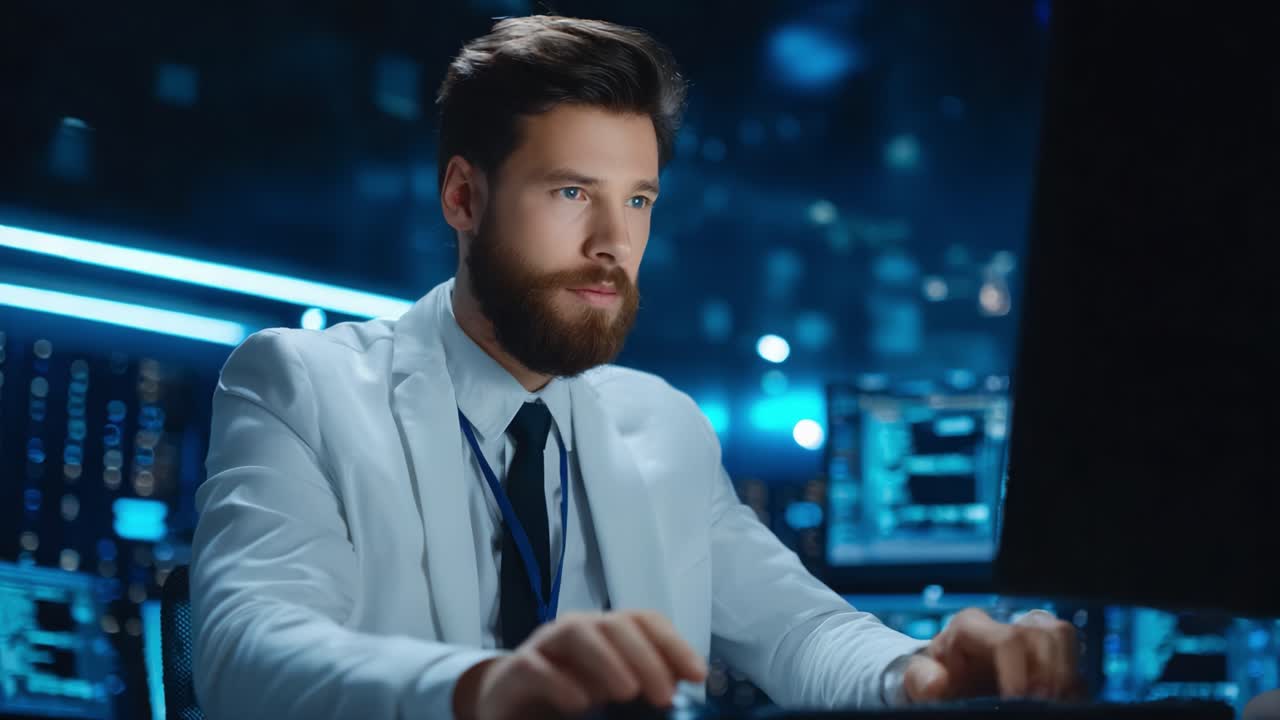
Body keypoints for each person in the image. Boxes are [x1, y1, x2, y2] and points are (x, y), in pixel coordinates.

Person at [189, 15, 1082, 720]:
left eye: (639, 201)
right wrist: (478, 692)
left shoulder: (662, 425)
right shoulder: (300, 386)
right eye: (572, 193)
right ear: (463, 196)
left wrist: (918, 676)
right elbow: (246, 649)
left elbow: (801, 632)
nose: (615, 244)